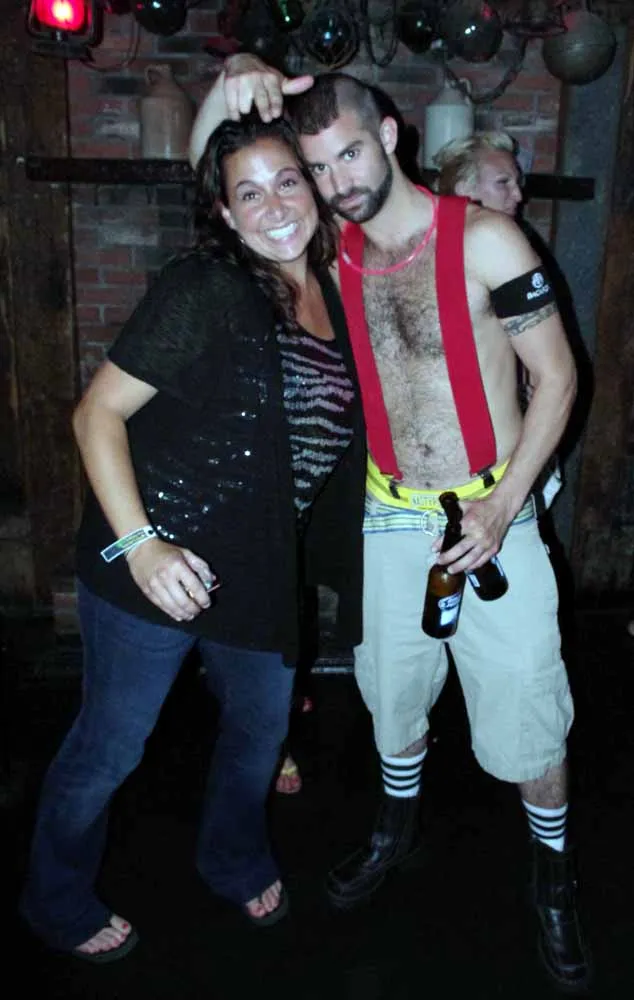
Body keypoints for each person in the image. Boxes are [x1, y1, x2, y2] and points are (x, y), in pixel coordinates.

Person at [189, 56, 591, 994]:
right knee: (392, 696)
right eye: (318, 168)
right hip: (390, 518)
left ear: (390, 137)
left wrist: (506, 503)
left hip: (494, 513)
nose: (337, 182)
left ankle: (555, 877)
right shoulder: (327, 242)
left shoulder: (488, 239)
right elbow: (211, 177)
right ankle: (393, 828)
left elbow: (560, 377)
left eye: (350, 155)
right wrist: (229, 79)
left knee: (530, 718)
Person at [19, 112, 365, 960]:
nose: (274, 205)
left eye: (287, 180)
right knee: (110, 747)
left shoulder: (338, 294)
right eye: (248, 193)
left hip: (258, 566)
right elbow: (96, 414)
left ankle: (232, 858)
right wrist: (141, 546)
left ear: (314, 187)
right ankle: (53, 899)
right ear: (224, 214)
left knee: (258, 735)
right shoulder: (206, 286)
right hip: (153, 560)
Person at [433, 131, 563, 513]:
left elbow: (550, 370)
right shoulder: (423, 255)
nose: (518, 195)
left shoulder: (517, 246)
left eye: (517, 183)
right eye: (503, 183)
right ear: (464, 190)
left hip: (510, 446)